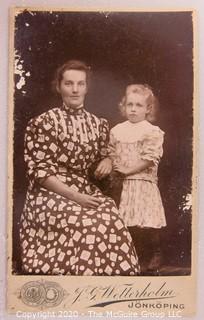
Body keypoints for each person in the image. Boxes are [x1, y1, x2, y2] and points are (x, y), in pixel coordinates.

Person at [19, 60, 140, 276]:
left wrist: (108, 160)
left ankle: (110, 287)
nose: (75, 89)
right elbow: (40, 172)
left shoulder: (97, 124)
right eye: (68, 83)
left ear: (86, 87)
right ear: (59, 86)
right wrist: (76, 197)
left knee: (109, 217)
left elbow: (108, 152)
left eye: (80, 84)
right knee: (86, 222)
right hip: (49, 192)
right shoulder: (44, 122)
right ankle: (79, 282)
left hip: (83, 189)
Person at [109, 84, 166, 272]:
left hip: (143, 182)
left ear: (148, 109)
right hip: (122, 184)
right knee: (127, 222)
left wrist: (128, 170)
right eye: (130, 104)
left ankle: (155, 254)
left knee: (146, 221)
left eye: (139, 105)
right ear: (123, 106)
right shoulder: (117, 130)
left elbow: (150, 159)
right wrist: (115, 166)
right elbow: (111, 153)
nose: (133, 109)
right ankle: (133, 256)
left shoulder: (151, 131)